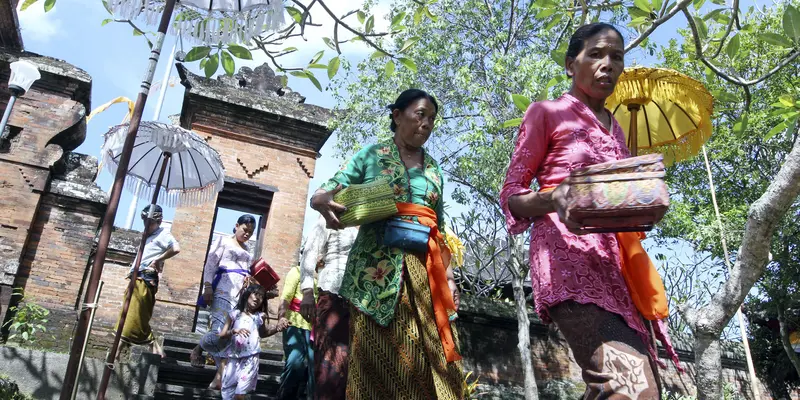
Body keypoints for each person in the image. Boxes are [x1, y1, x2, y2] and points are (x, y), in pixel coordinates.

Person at [499, 22, 680, 399]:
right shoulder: (545, 112)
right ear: (571, 65)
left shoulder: (617, 131)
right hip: (568, 266)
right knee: (632, 388)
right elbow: (512, 196)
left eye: (616, 57)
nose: (608, 64)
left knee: (624, 388)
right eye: (596, 54)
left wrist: (645, 199)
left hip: (617, 271)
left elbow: (622, 204)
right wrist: (553, 198)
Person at [310, 88, 463, 399]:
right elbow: (327, 190)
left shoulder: (434, 169)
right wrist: (321, 200)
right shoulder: (371, 156)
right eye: (421, 114)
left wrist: (448, 276)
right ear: (397, 115)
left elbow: (440, 225)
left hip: (423, 273)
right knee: (374, 358)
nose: (427, 123)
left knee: (427, 354)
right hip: (374, 272)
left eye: (432, 119)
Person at [191, 214, 257, 390]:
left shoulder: (248, 250)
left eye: (250, 232)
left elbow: (247, 270)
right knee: (220, 331)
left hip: (239, 294)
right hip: (222, 289)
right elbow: (211, 264)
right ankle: (207, 358)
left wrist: (249, 279)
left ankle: (213, 368)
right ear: (236, 226)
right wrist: (207, 286)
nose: (247, 234)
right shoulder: (223, 241)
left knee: (230, 335)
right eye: (245, 230)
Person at [298, 215, 358, 400]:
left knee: (353, 367)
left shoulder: (369, 221)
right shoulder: (329, 217)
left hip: (360, 301)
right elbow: (310, 251)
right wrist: (307, 291)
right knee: (330, 366)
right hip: (333, 295)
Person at [115, 204, 181, 357]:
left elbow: (176, 248)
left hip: (145, 278)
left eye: (150, 222)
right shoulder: (147, 236)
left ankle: (115, 353)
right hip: (136, 276)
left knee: (130, 315)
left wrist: (159, 259)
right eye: (145, 221)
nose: (147, 224)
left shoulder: (163, 234)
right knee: (133, 314)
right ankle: (154, 347)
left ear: (159, 221)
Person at [211, 284, 288, 400]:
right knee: (227, 393)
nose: (257, 298)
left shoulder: (260, 316)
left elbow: (263, 333)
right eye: (255, 294)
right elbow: (222, 335)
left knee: (239, 394)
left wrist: (277, 328)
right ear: (247, 295)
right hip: (233, 358)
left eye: (261, 297)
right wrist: (234, 331)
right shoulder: (234, 314)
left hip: (251, 358)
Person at [277, 263, 315, 399]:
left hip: (315, 328)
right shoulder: (297, 271)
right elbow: (286, 297)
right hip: (294, 322)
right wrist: (281, 317)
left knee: (313, 366)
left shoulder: (325, 276)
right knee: (294, 361)